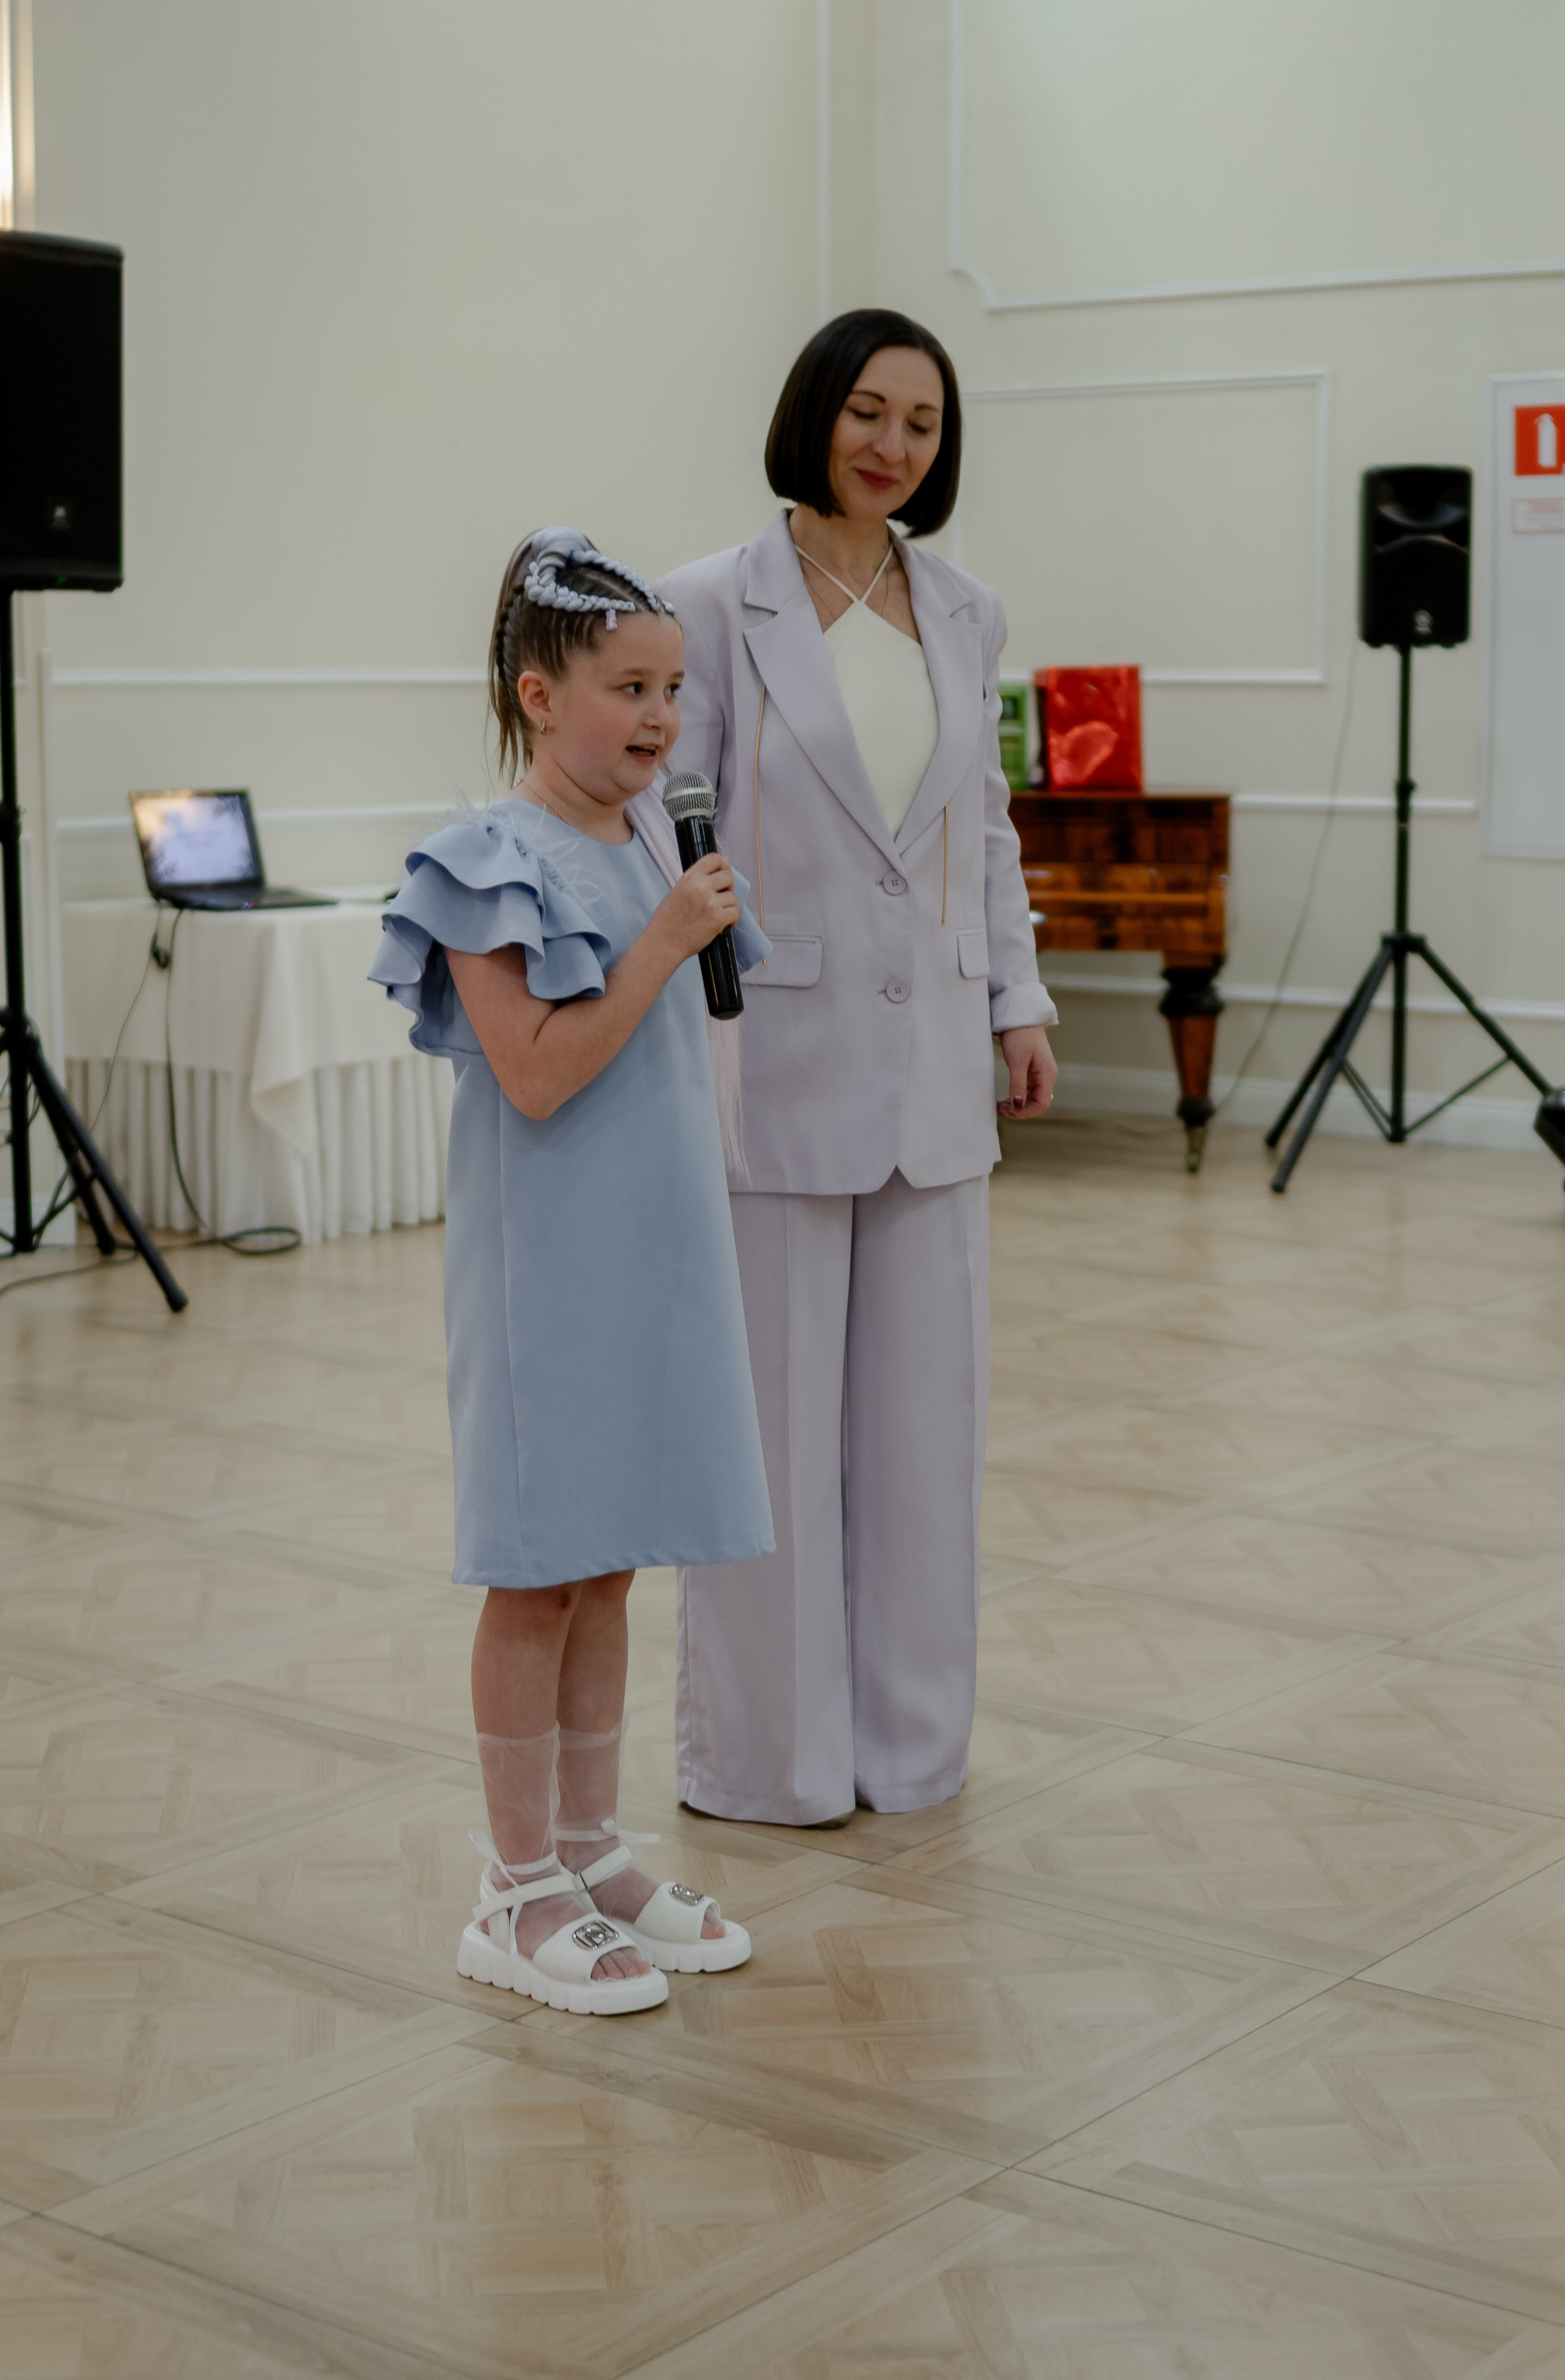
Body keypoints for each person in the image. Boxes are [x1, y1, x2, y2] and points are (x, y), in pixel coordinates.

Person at [662, 309, 1058, 1828]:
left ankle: (911, 1752)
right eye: (869, 413)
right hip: (773, 1058)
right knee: (772, 1434)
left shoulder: (964, 610)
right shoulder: (707, 603)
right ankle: (766, 1762)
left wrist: (1013, 999)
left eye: (923, 425)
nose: (892, 447)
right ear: (813, 413)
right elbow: (672, 825)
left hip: (937, 1064)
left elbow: (987, 828)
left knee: (921, 1444)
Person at [371, 527, 773, 2013]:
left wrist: (677, 923)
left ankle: (594, 1856)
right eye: (629, 688)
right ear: (541, 697)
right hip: (550, 1270)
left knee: (610, 1564)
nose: (662, 719)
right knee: (538, 1572)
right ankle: (512, 1885)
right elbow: (535, 1078)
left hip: (654, 1255)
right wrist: (665, 944)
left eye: (673, 689)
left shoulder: (654, 839)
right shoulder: (485, 863)